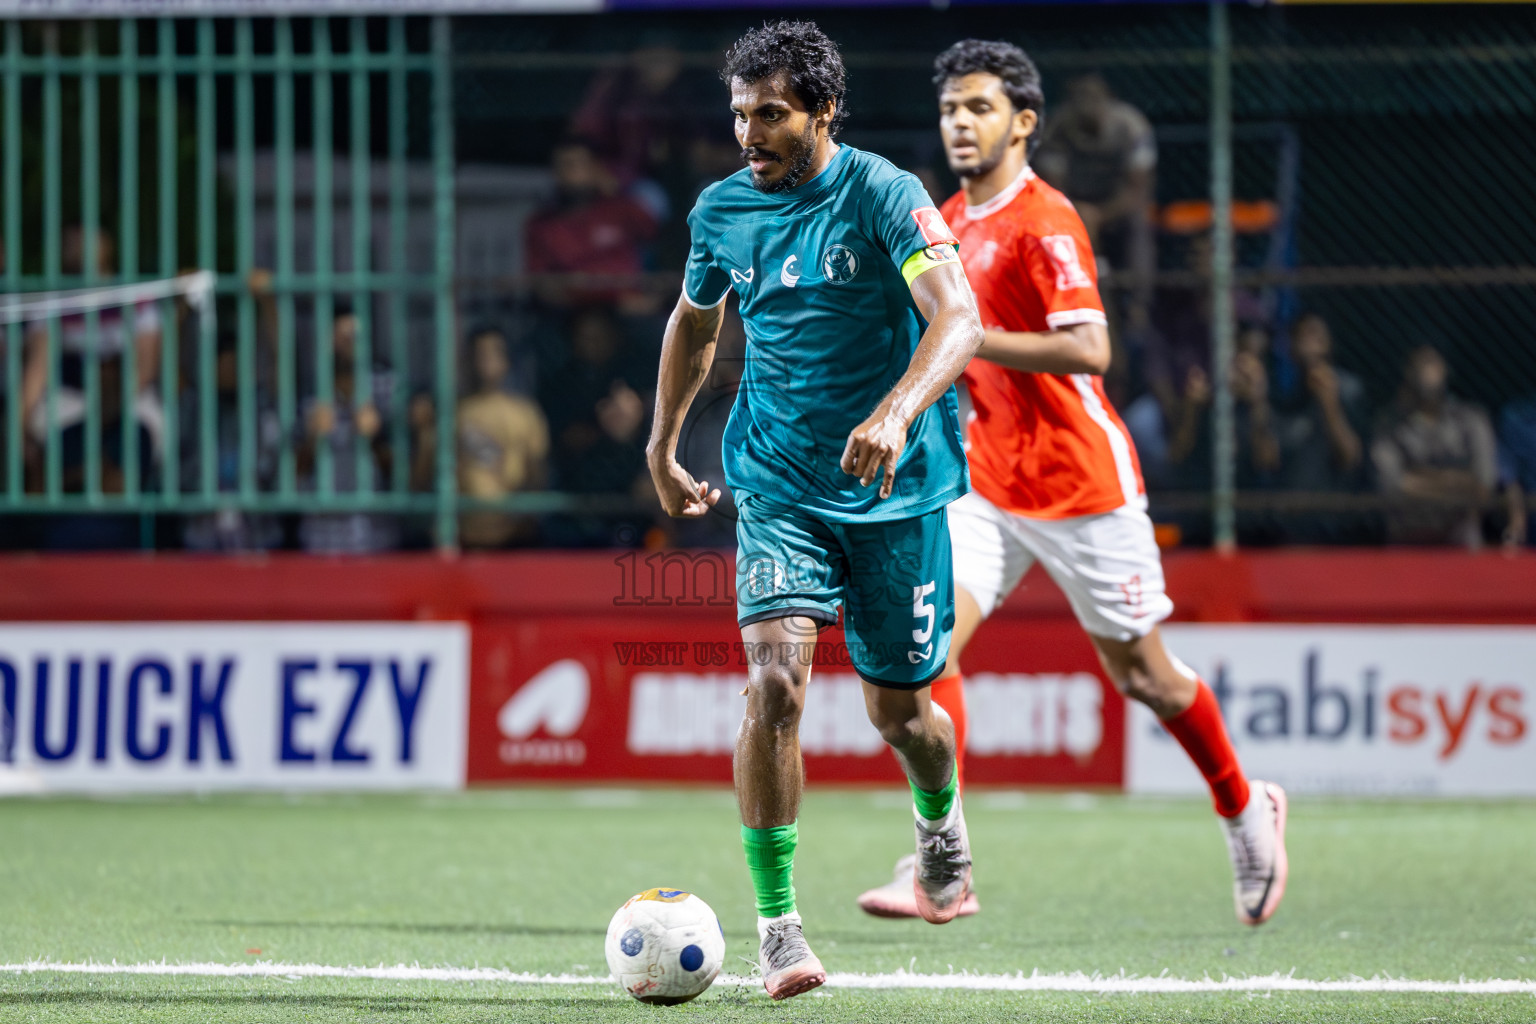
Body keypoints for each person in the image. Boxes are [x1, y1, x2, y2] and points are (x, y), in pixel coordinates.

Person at [856, 40, 1288, 929]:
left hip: (1079, 482)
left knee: (1148, 679)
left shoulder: (1045, 220)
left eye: (979, 108)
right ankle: (948, 865)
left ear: (1023, 123)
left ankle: (1246, 808)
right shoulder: (944, 218)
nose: (960, 124)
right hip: (985, 482)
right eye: (950, 110)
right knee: (925, 659)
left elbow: (1090, 349)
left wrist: (968, 336)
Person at [646, 21, 984, 1001]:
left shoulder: (885, 193)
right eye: (741, 113)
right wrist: (663, 443)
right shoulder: (721, 210)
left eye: (773, 113)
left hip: (896, 489)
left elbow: (958, 316)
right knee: (776, 687)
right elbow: (695, 321)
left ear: (824, 110)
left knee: (904, 714)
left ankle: (940, 831)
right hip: (780, 484)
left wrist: (896, 410)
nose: (751, 131)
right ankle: (778, 929)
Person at [1372, 345, 1497, 548]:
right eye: (1419, 364)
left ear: (1445, 369)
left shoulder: (1472, 420)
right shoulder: (1388, 425)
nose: (1426, 371)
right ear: (1407, 372)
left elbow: (1483, 488)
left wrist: (1417, 479)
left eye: (1432, 362)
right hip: (1409, 540)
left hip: (1461, 541)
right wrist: (1454, 481)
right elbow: (1391, 485)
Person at [457, 326, 549, 548]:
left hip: (514, 537)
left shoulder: (525, 413)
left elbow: (536, 473)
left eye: (495, 352)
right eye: (480, 353)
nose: (487, 360)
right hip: (466, 537)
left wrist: (526, 519)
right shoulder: (455, 414)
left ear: (507, 359)